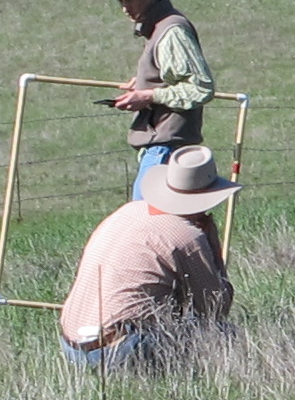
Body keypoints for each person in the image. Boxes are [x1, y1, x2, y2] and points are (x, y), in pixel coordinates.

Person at [59, 144, 237, 369]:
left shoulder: (128, 211)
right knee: (225, 334)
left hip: (71, 347)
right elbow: (214, 307)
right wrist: (211, 242)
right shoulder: (187, 235)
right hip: (119, 350)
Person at [94, 0, 214, 198]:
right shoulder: (159, 28)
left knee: (148, 215)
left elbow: (201, 88)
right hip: (161, 148)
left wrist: (148, 95)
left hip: (166, 149)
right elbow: (169, 78)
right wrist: (141, 86)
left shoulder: (171, 31)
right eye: (120, 0)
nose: (124, 7)